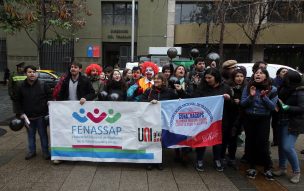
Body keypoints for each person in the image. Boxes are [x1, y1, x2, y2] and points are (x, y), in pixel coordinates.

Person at [176, 68, 232, 172]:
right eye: (205, 77)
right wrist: (180, 91)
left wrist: (228, 99)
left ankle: (217, 159)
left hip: (219, 119)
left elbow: (232, 106)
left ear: (216, 77)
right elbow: (191, 99)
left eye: (210, 78)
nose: (207, 80)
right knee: (202, 138)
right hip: (204, 120)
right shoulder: (202, 88)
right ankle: (199, 159)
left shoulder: (226, 88)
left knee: (218, 139)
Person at [241, 68, 278, 180]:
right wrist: (251, 96)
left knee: (262, 143)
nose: (258, 74)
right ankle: (252, 167)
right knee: (251, 142)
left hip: (263, 119)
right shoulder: (248, 87)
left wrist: (264, 97)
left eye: (261, 73)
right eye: (256, 73)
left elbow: (273, 107)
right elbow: (243, 104)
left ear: (266, 76)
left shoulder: (272, 89)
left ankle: (267, 168)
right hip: (249, 118)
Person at [56, 62, 95, 164]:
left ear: (80, 70)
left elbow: (92, 93)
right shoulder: (65, 80)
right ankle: (62, 154)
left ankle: (80, 153)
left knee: (79, 133)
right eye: (72, 67)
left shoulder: (85, 80)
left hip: (81, 112)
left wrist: (85, 98)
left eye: (75, 67)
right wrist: (53, 104)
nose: (73, 69)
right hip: (67, 111)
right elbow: (60, 95)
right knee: (66, 132)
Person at [141, 73, 178, 170]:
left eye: (159, 79)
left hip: (164, 121)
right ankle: (150, 161)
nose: (156, 80)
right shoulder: (149, 91)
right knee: (150, 140)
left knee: (159, 141)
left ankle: (159, 161)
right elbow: (141, 101)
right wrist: (149, 102)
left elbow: (177, 102)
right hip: (150, 120)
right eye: (155, 79)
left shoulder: (169, 92)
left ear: (163, 81)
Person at [15, 65, 52, 160]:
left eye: (34, 72)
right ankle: (32, 151)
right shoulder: (20, 86)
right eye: (29, 72)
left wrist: (49, 103)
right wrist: (21, 113)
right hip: (28, 117)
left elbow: (50, 97)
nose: (32, 74)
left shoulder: (43, 84)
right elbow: (17, 101)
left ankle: (45, 152)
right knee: (30, 135)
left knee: (43, 135)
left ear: (36, 73)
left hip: (41, 116)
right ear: (25, 74)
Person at [273, 70, 304, 184]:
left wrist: (286, 107)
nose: (283, 77)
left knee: (287, 147)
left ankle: (296, 172)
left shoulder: (300, 91)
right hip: (281, 120)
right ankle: (282, 168)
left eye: (286, 76)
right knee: (281, 146)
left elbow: (302, 108)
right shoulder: (282, 88)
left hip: (292, 123)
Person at [222, 68, 247, 169]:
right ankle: (221, 156)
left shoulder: (247, 87)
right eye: (237, 76)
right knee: (225, 137)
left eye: (241, 76)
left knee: (234, 137)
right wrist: (231, 100)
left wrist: (241, 102)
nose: (239, 78)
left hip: (239, 117)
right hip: (227, 115)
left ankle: (232, 157)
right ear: (233, 77)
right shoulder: (227, 87)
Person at [271, 67, 288, 146]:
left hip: (284, 106)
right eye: (283, 71)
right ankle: (276, 140)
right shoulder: (275, 81)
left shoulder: (288, 82)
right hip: (276, 105)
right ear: (278, 73)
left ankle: (281, 139)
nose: (285, 73)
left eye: (286, 72)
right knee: (275, 123)